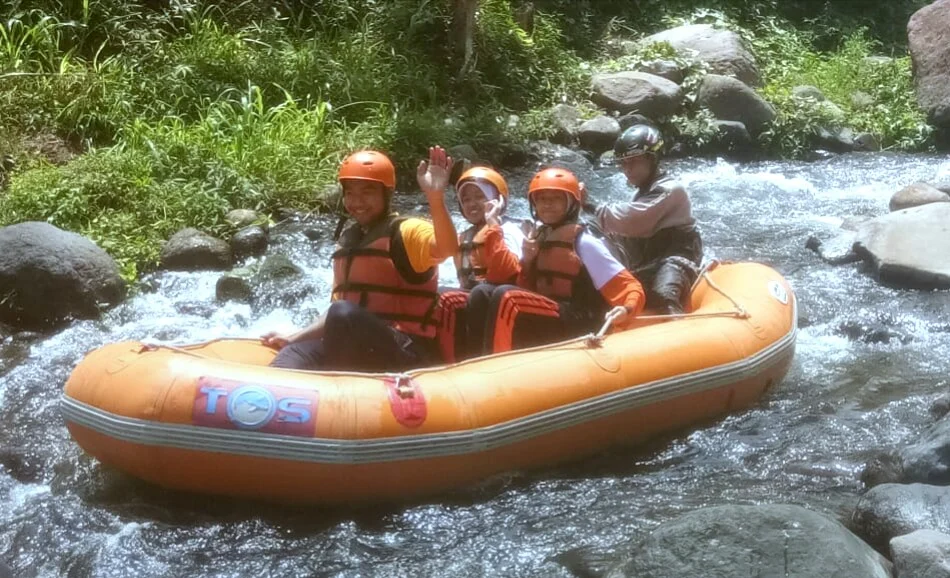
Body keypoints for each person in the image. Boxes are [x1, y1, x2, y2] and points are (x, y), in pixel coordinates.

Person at [261, 147, 459, 371]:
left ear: (386, 194)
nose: (357, 201)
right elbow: (337, 310)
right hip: (356, 342)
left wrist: (435, 198)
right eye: (350, 193)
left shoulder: (406, 231)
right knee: (294, 351)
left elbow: (448, 248)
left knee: (343, 313)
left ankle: (341, 384)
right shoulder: (350, 241)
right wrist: (293, 337)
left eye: (367, 192)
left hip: (406, 349)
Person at [464, 167, 646, 357]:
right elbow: (526, 288)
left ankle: (496, 361)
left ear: (571, 204)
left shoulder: (583, 242)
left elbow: (630, 286)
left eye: (556, 198)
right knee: (482, 292)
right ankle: (472, 358)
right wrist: (528, 261)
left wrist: (627, 308)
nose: (547, 204)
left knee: (507, 296)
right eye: (542, 199)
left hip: (582, 320)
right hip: (553, 315)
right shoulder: (538, 237)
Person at [582, 124, 703, 314]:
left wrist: (587, 204)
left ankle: (676, 320)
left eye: (634, 161)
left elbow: (631, 221)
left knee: (664, 296)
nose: (627, 169)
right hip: (650, 262)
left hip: (677, 259)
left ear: (652, 158)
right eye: (623, 163)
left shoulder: (671, 189)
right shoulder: (640, 194)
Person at [436, 166, 524, 362]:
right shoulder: (463, 236)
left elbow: (506, 272)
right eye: (466, 199)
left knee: (481, 292)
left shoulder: (510, 229)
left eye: (479, 196)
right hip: (477, 298)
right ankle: (446, 359)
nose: (472, 204)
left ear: (497, 200)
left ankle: (480, 359)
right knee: (441, 294)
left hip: (506, 301)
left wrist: (493, 224)